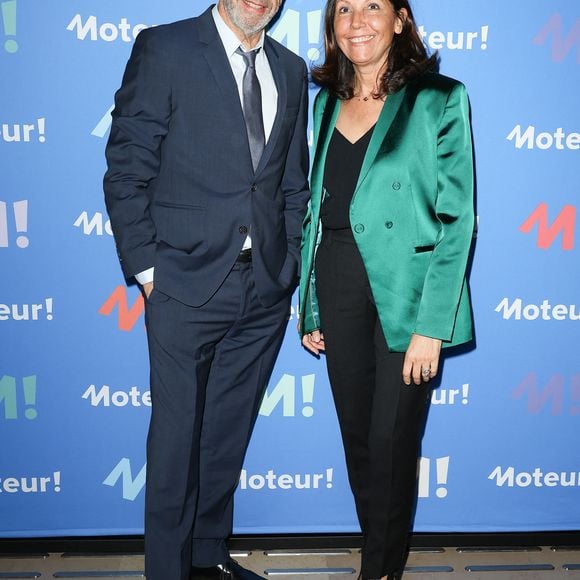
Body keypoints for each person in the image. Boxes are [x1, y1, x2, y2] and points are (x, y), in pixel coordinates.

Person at [103, 0, 309, 578]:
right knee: (175, 445)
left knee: (226, 435)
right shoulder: (165, 47)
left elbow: (292, 180)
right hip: (183, 286)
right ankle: (168, 571)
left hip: (263, 289)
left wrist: (287, 264)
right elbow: (127, 164)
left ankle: (208, 558)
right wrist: (149, 271)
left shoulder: (291, 70)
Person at [299, 0, 474, 578]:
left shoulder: (439, 98)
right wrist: (312, 304)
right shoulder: (324, 102)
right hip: (340, 280)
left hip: (410, 294)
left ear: (400, 19)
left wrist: (433, 325)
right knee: (360, 444)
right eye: (343, 9)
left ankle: (377, 570)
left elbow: (458, 220)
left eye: (372, 6)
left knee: (392, 444)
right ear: (332, 26)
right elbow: (315, 212)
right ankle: (382, 555)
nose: (357, 21)